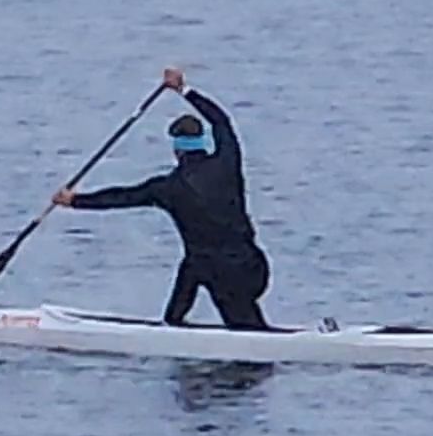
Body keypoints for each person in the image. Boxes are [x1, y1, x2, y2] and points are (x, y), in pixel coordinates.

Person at [52, 67, 273, 330]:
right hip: (255, 269)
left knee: (202, 264)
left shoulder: (167, 188)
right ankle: (174, 322)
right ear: (202, 142)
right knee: (194, 265)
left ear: (177, 149)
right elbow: (220, 120)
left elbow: (122, 197)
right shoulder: (228, 161)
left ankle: (176, 328)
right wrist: (184, 90)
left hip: (221, 276)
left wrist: (74, 200)